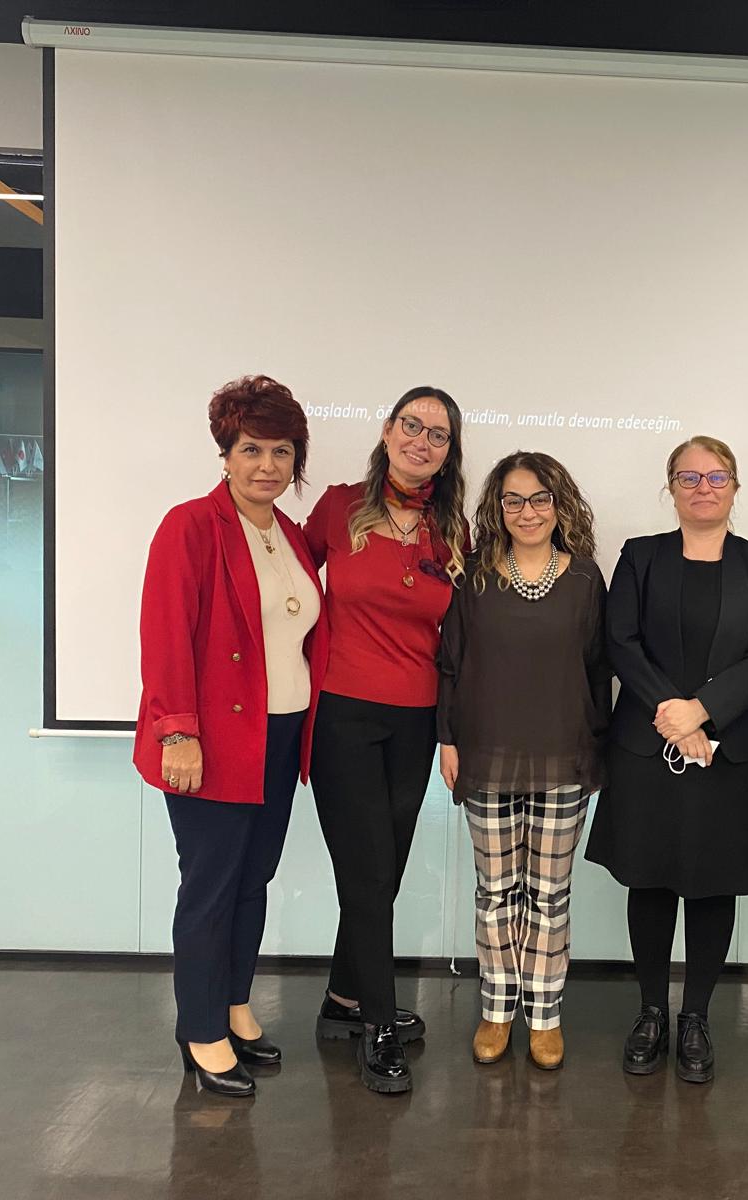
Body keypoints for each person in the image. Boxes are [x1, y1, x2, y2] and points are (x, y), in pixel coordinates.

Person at [134, 375, 326, 1098]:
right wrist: (176, 732)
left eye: (282, 451)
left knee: (254, 878)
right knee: (211, 886)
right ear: (225, 453)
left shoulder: (289, 535)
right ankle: (200, 1028)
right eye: (252, 449)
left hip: (281, 735)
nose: (267, 465)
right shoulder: (191, 526)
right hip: (212, 741)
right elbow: (165, 637)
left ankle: (235, 1004)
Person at [585, 436, 748, 1084]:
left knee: (713, 884)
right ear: (670, 487)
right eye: (689, 477)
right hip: (649, 746)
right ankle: (651, 1011)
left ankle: (696, 1015)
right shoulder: (640, 557)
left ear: (735, 485)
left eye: (716, 476)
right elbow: (621, 641)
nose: (703, 487)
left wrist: (703, 711)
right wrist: (673, 714)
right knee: (649, 880)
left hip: (730, 751)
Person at [302, 386, 469, 1095]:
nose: (422, 440)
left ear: (448, 452)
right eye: (412, 424)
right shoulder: (338, 508)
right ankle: (376, 1026)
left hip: (415, 721)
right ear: (387, 430)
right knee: (367, 873)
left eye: (438, 433)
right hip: (343, 713)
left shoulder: (452, 529)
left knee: (385, 871)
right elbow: (284, 579)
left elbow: (457, 638)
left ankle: (343, 999)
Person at [436, 451, 609, 1072]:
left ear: (559, 505)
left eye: (540, 499)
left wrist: (598, 750)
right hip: (486, 755)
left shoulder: (585, 578)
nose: (527, 511)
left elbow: (598, 670)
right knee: (495, 894)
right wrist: (447, 739)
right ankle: (496, 1009)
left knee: (549, 895)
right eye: (514, 500)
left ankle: (544, 1016)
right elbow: (450, 664)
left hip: (564, 756)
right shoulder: (474, 576)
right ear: (497, 507)